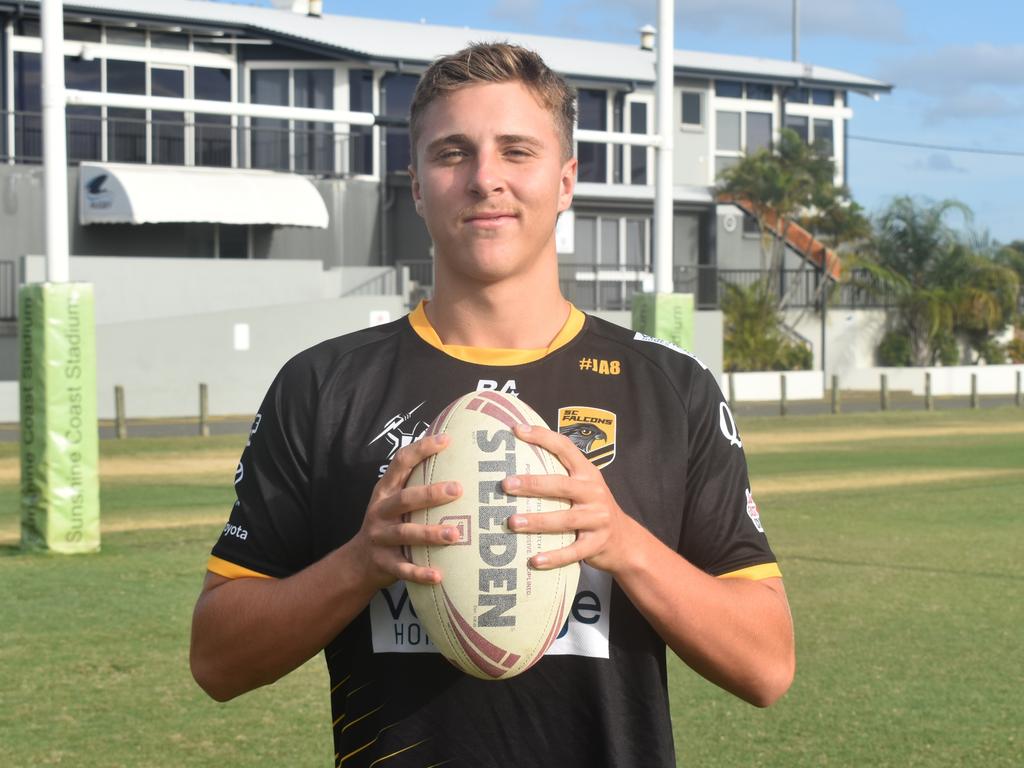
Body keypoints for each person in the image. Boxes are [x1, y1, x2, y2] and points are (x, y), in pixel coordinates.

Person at [190, 42, 794, 768]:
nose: (485, 179)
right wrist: (359, 563)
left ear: (566, 180)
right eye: (453, 153)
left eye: (517, 151)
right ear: (417, 186)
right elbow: (217, 661)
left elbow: (767, 667)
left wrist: (624, 545)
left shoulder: (669, 388)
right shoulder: (323, 387)